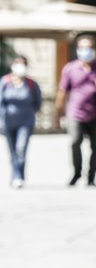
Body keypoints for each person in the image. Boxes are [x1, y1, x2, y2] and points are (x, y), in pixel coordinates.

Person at [56, 37, 96, 188]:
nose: (85, 51)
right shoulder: (70, 68)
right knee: (75, 142)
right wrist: (58, 113)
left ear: (94, 50)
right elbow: (62, 91)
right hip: (76, 113)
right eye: (82, 48)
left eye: (88, 48)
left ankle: (91, 177)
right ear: (77, 50)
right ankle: (76, 172)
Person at [2, 54, 42, 188]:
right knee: (12, 150)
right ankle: (15, 174)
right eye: (17, 63)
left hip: (26, 122)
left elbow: (38, 102)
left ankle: (19, 177)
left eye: (22, 63)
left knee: (21, 148)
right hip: (8, 121)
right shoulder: (5, 82)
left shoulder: (31, 84)